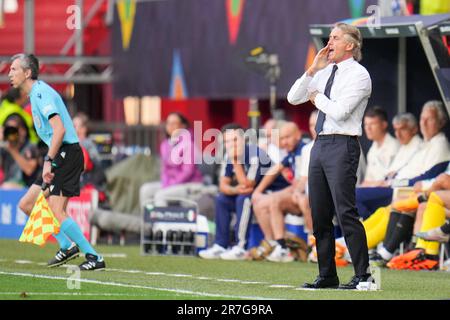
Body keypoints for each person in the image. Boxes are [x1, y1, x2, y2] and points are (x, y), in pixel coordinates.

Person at [287, 23, 374, 289]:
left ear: (350, 45)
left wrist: (317, 98)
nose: (329, 42)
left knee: (345, 211)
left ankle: (363, 276)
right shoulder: (324, 72)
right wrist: (313, 69)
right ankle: (327, 275)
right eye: (330, 37)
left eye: (335, 38)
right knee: (319, 213)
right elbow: (293, 97)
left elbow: (340, 112)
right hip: (320, 144)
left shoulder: (360, 75)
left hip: (343, 144)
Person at [9, 53, 105, 271]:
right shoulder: (35, 95)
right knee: (26, 204)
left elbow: (59, 130)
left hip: (66, 154)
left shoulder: (41, 93)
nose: (9, 73)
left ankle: (94, 257)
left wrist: (47, 160)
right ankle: (66, 245)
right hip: (58, 155)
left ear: (27, 73)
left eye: (14, 69)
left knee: (56, 209)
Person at [198, 123, 282, 260]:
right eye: (227, 141)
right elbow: (223, 185)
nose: (231, 144)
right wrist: (235, 189)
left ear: (244, 139)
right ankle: (220, 245)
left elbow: (248, 185)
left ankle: (241, 246)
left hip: (272, 192)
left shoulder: (255, 154)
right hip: (252, 194)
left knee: (244, 198)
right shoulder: (228, 156)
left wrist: (235, 161)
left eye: (235, 140)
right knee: (221, 199)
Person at [250, 122, 306, 262]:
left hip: (306, 195)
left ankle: (282, 247)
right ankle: (273, 242)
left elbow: (304, 180)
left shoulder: (304, 150)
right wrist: (258, 191)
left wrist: (293, 189)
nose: (284, 142)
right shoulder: (292, 152)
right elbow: (275, 170)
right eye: (281, 139)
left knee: (275, 201)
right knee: (258, 202)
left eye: (287, 137)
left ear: (298, 135)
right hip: (296, 192)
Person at [139, 112, 204, 209]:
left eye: (174, 123)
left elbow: (188, 172)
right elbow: (164, 169)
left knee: (160, 195)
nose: (170, 126)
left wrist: (171, 184)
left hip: (188, 183)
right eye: (168, 123)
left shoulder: (188, 144)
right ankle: (147, 222)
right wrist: (166, 182)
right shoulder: (165, 144)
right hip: (170, 183)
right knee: (145, 190)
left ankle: (162, 224)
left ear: (183, 125)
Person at [360, 106, 399, 186]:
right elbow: (366, 182)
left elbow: (389, 181)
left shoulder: (394, 146)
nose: (368, 128)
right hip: (372, 191)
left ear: (384, 125)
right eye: (366, 124)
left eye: (372, 124)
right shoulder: (372, 150)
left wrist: (373, 184)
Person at [0, 114, 41, 188]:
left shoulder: (31, 147)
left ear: (23, 131)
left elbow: (29, 170)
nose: (11, 133)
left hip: (28, 188)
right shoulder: (3, 147)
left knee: (7, 186)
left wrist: (12, 150)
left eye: (13, 129)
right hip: (6, 188)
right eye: (8, 130)